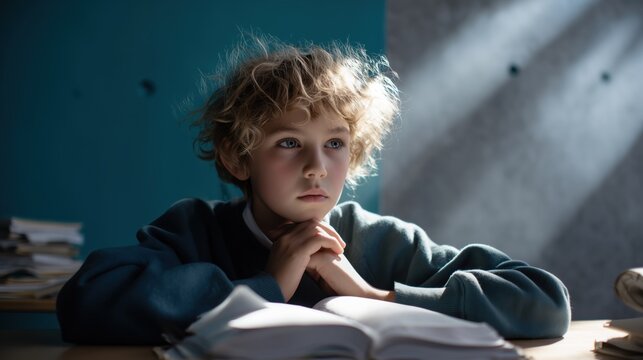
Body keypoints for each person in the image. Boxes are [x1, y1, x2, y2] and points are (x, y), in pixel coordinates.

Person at [56, 37, 571, 345]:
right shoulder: (193, 229)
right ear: (238, 156)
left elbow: (546, 302)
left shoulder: (380, 240)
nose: (316, 168)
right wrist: (267, 288)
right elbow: (85, 304)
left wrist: (376, 296)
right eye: (287, 142)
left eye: (334, 143)